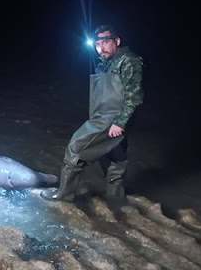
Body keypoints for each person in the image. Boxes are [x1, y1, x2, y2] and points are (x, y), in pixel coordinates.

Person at [41, 24, 144, 203]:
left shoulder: (128, 60)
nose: (101, 47)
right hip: (103, 116)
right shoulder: (103, 65)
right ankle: (116, 198)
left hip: (113, 118)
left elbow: (134, 96)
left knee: (75, 148)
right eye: (97, 43)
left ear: (117, 41)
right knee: (114, 158)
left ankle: (65, 194)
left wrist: (120, 122)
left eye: (105, 41)